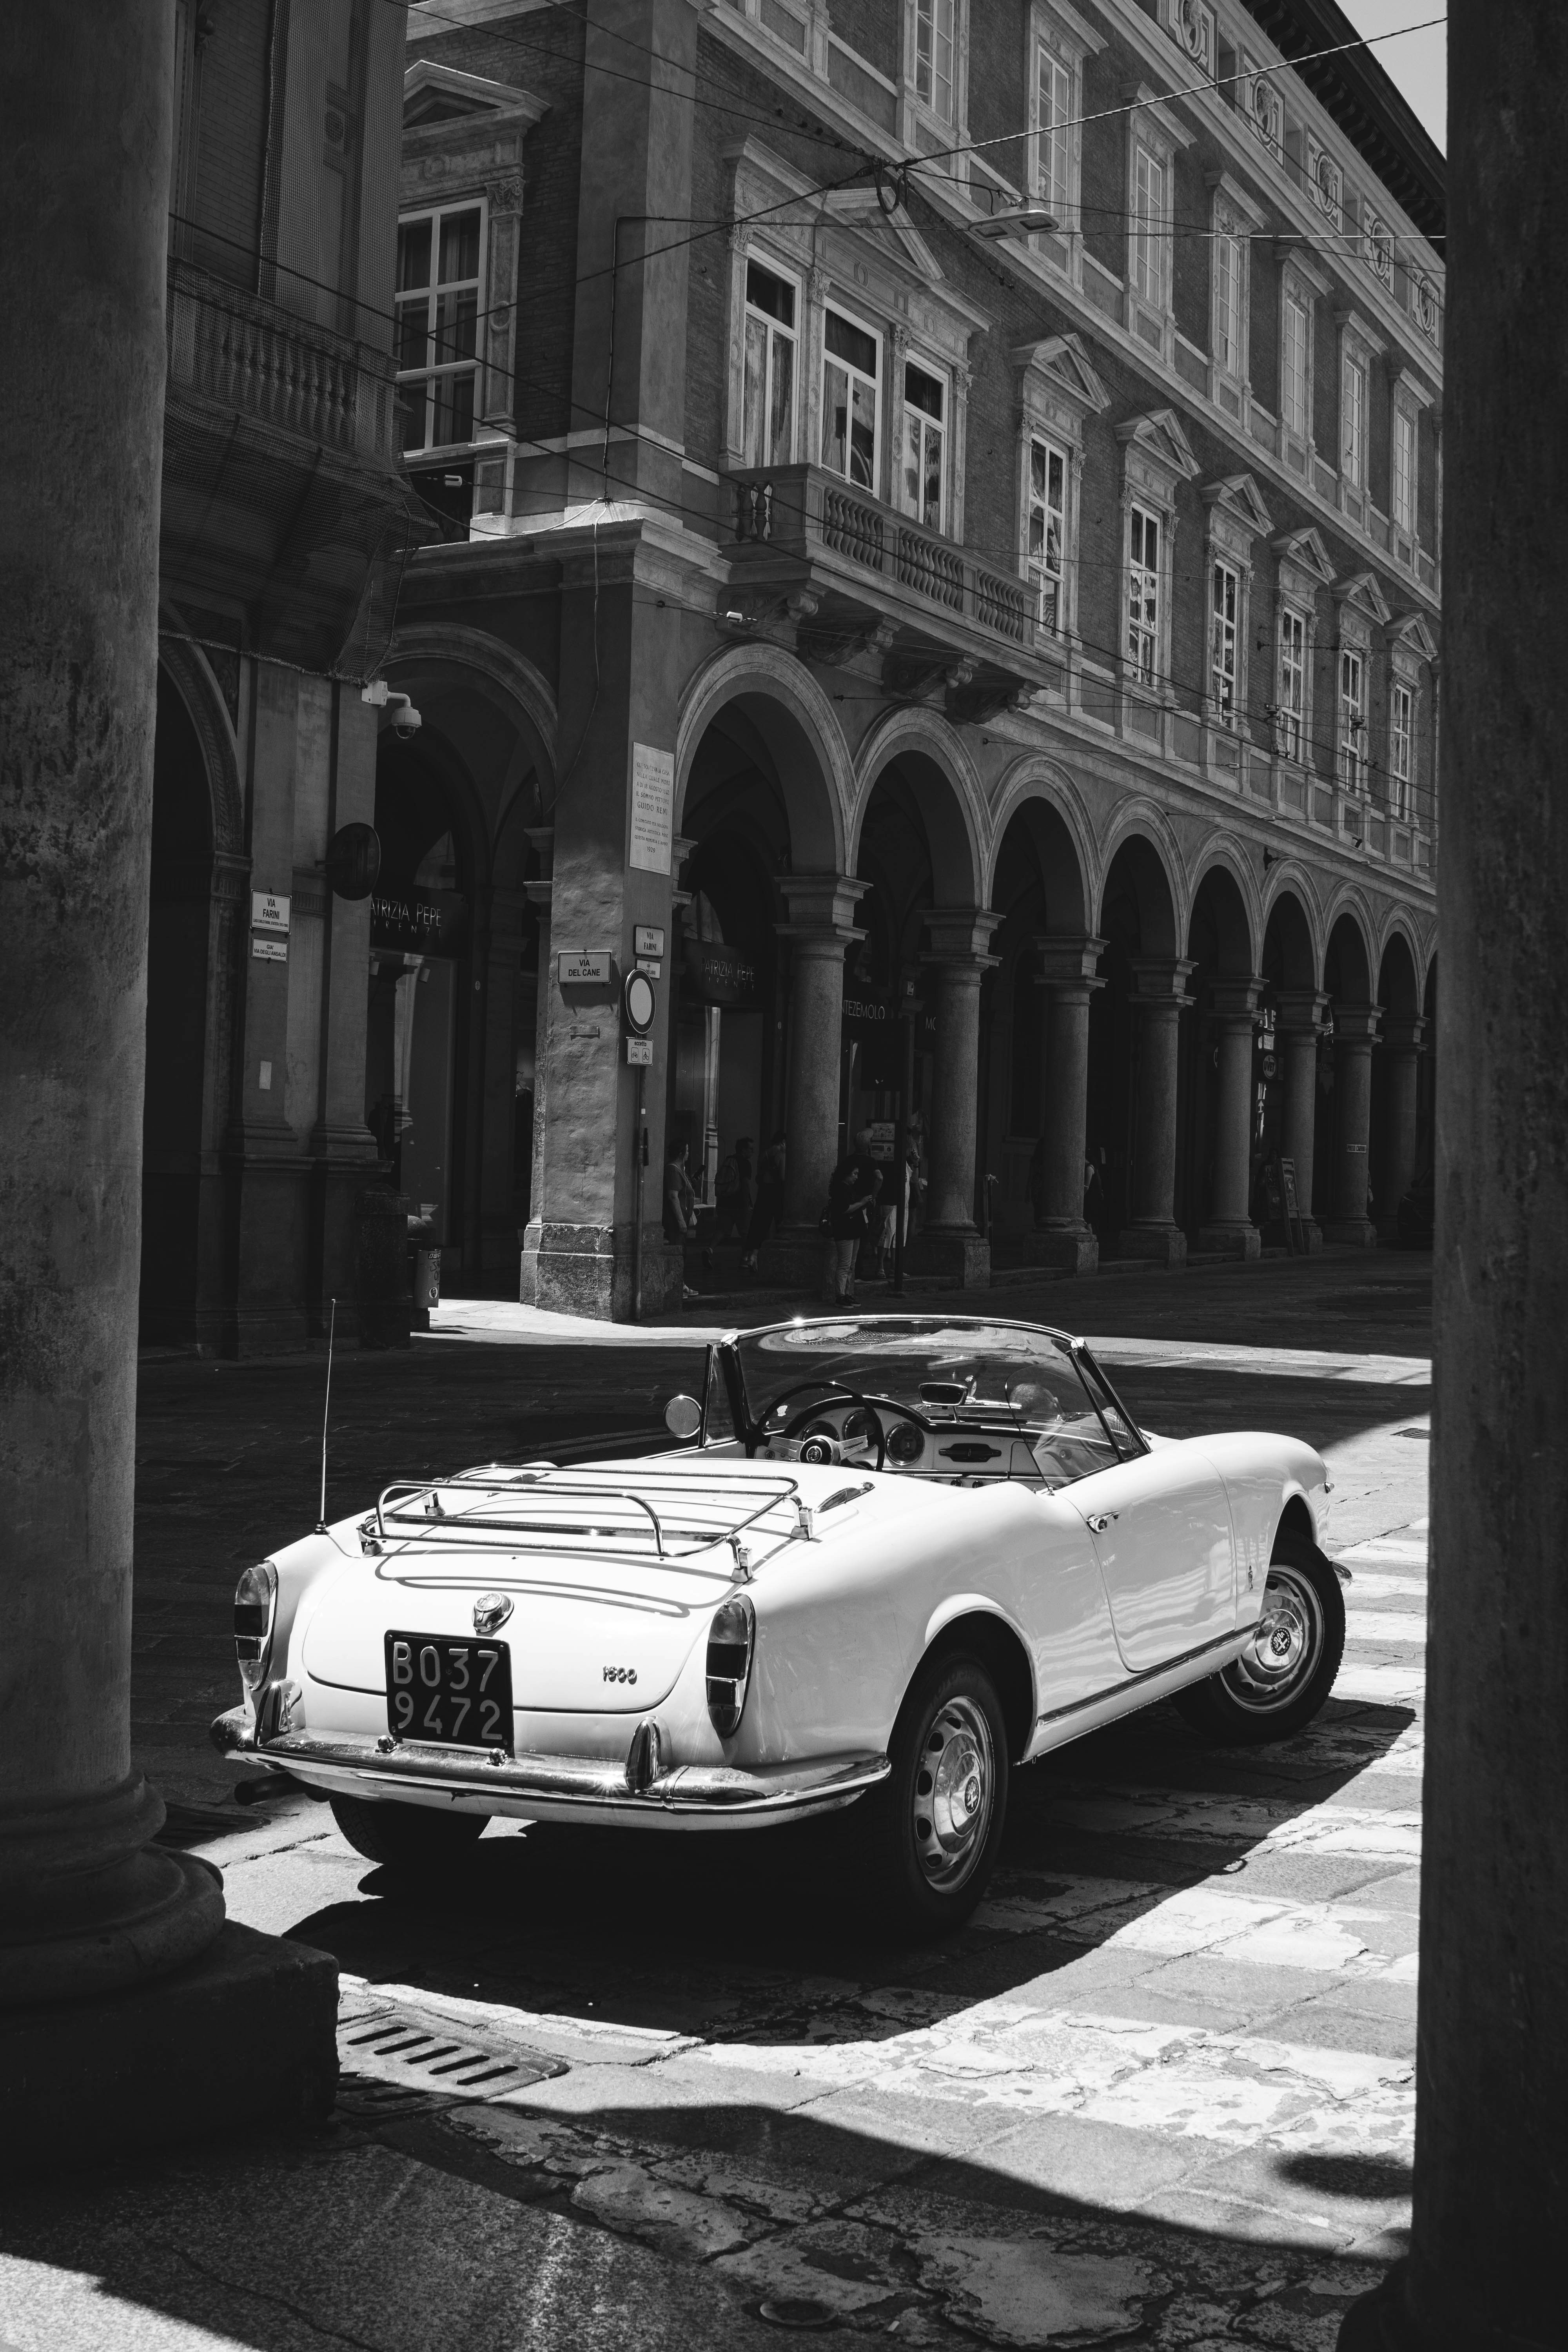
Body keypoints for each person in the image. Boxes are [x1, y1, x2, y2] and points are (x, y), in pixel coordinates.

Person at [822, 1128, 882, 1305]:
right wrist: (866, 1200)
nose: (857, 1177)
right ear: (847, 1175)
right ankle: (841, 1295)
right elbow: (845, 1209)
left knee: (851, 1264)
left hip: (854, 1229)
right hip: (846, 1230)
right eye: (855, 1174)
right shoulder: (842, 1190)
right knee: (845, 1264)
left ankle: (848, 1294)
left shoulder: (850, 1188)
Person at [742, 1130, 786, 1271]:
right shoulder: (781, 1155)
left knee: (759, 1224)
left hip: (763, 1192)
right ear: (783, 1143)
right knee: (782, 1224)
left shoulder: (764, 1154)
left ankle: (750, 1256)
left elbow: (758, 1177)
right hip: (775, 1192)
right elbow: (783, 1178)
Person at [714, 1135, 753, 1244]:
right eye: (751, 1149)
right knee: (745, 1233)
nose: (752, 1152)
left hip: (724, 1202)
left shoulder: (728, 1160)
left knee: (721, 1230)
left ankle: (710, 1250)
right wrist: (748, 1203)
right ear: (744, 1150)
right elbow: (746, 1185)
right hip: (739, 1204)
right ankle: (745, 1258)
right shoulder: (746, 1164)